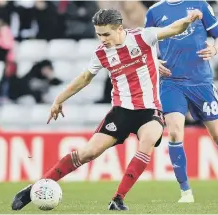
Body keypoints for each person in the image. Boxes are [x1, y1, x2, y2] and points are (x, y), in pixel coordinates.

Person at [11, 8, 203, 211]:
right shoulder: (101, 53)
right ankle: (35, 189)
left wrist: (188, 19)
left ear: (119, 29)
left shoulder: (143, 37)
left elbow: (173, 29)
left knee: (147, 142)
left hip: (149, 111)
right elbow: (85, 78)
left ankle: (117, 199)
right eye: (98, 34)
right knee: (87, 153)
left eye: (106, 34)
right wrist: (59, 99)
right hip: (121, 111)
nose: (102, 39)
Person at [145, 0, 218, 203]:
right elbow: (145, 43)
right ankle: (186, 192)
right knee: (175, 132)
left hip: (200, 82)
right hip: (171, 82)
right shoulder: (154, 11)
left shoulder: (200, 5)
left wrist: (215, 49)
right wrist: (153, 60)